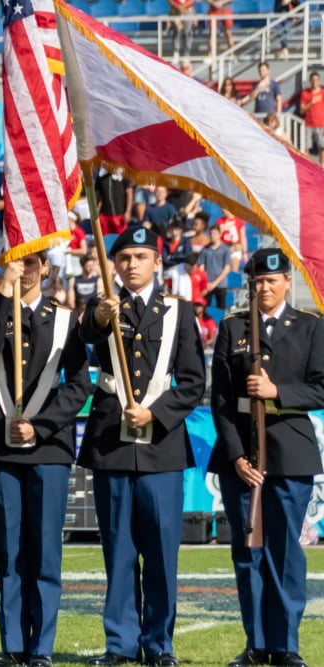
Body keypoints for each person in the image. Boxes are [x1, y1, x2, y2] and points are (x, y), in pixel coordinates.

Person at [77, 227, 206, 667]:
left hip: (161, 445)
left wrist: (156, 414)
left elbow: (192, 382)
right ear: (114, 264)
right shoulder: (100, 308)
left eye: (140, 256)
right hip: (112, 441)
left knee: (161, 549)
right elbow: (84, 341)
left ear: (157, 262)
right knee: (118, 549)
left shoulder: (177, 311)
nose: (131, 264)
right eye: (124, 257)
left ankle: (159, 645)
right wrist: (97, 318)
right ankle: (120, 644)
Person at [0, 254, 90, 667]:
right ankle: (12, 644)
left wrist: (42, 424)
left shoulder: (66, 320)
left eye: (33, 261)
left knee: (45, 548)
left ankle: (42, 648)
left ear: (48, 268)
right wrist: (3, 288)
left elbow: (79, 383)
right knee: (9, 548)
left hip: (48, 447)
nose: (25, 268)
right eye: (17, 261)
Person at [208, 249, 320, 667]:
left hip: (289, 453)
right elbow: (220, 398)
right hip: (242, 458)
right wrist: (236, 456)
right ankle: (255, 643)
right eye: (257, 281)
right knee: (248, 552)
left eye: (272, 280)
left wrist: (278, 393)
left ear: (288, 281)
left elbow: (322, 388)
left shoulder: (310, 327)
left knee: (285, 552)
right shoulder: (234, 327)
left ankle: (285, 645)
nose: (264, 288)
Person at [299, 71, 323, 166]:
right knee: (306, 147)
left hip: (321, 124)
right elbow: (301, 110)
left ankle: (322, 166)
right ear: (310, 81)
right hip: (309, 124)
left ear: (319, 81)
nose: (315, 82)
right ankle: (308, 166)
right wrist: (311, 102)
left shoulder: (322, 93)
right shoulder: (305, 93)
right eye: (313, 80)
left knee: (322, 146)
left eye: (316, 80)